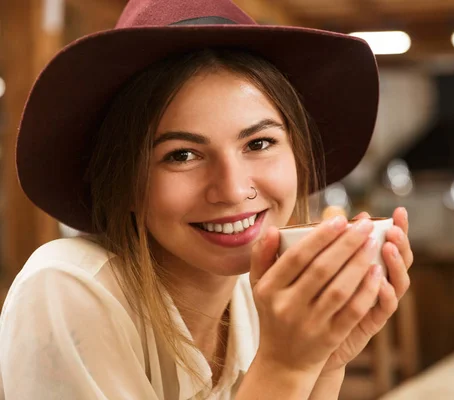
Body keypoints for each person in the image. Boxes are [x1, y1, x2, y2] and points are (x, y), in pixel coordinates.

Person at [0, 0, 413, 398]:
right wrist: (286, 366)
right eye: (182, 155)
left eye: (259, 142)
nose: (233, 190)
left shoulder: (255, 296)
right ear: (123, 182)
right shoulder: (67, 290)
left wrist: (323, 361)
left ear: (298, 156)